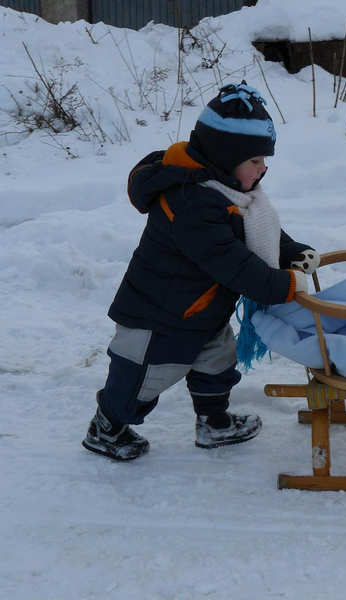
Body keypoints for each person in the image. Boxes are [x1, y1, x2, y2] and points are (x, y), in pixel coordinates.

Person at [82, 82, 319, 461]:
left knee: (217, 363)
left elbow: (256, 229)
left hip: (201, 310)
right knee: (141, 379)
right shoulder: (193, 203)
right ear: (226, 158)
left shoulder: (228, 192)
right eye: (255, 161)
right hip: (158, 316)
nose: (263, 168)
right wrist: (283, 285)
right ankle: (107, 428)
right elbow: (235, 264)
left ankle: (214, 424)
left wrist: (291, 252)